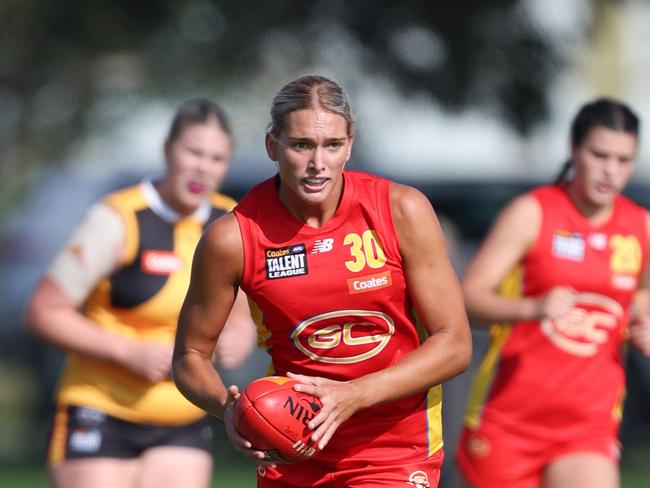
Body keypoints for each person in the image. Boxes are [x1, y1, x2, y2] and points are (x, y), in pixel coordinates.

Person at [172, 74, 472, 488]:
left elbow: (454, 344)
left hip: (394, 449)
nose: (318, 163)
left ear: (349, 145)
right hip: (292, 449)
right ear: (272, 147)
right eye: (301, 145)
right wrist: (230, 409)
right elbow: (189, 354)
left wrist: (355, 395)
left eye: (332, 145)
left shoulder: (402, 210)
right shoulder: (233, 238)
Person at [25, 98, 256, 488]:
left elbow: (239, 308)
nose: (203, 166)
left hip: (182, 417)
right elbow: (44, 312)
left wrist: (242, 334)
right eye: (193, 152)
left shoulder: (228, 221)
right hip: (101, 409)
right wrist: (127, 352)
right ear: (168, 151)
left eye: (216, 159)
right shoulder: (117, 218)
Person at [455, 98, 650, 488]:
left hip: (588, 427)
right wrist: (532, 307)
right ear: (575, 149)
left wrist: (643, 321)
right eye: (599, 155)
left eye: (623, 160)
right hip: (508, 422)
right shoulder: (533, 212)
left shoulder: (640, 225)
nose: (610, 171)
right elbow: (467, 299)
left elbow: (640, 294)